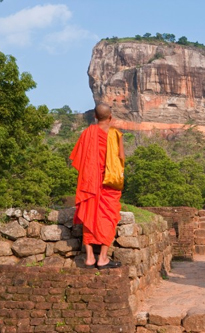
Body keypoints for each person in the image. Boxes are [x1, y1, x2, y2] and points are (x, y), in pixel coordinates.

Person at [70, 104, 124, 270]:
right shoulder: (115, 134)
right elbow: (121, 158)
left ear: (94, 116)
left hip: (90, 183)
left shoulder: (87, 133)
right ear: (110, 117)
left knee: (89, 214)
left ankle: (89, 257)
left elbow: (78, 159)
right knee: (109, 216)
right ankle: (102, 257)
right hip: (108, 184)